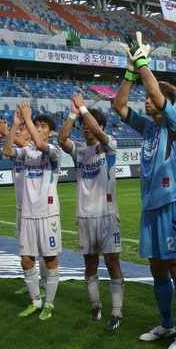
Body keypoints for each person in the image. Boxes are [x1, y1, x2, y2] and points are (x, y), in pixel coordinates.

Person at [113, 31, 176, 349]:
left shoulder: (175, 127)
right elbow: (119, 105)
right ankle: (167, 325)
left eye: (151, 97)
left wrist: (143, 62)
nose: (146, 101)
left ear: (166, 103)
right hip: (149, 207)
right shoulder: (147, 127)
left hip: (171, 205)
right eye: (146, 97)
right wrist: (130, 72)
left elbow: (157, 95)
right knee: (157, 268)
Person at [58, 93, 125, 331]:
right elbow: (61, 138)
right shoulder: (78, 150)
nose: (85, 128)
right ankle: (95, 305)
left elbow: (97, 131)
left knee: (112, 262)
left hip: (107, 216)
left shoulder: (109, 145)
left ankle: (117, 312)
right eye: (82, 125)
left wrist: (84, 109)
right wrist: (73, 113)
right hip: (84, 216)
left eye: (89, 124)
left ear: (101, 126)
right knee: (90, 264)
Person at [3, 101, 62, 320]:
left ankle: (49, 304)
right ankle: (36, 302)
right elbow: (7, 150)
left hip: (48, 214)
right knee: (26, 260)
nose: (38, 128)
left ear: (51, 133)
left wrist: (27, 119)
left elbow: (40, 144)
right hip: (28, 214)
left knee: (50, 259)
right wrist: (14, 126)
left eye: (42, 126)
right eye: (36, 125)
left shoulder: (55, 151)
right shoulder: (27, 152)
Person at [0, 117, 47, 298]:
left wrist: (9, 132)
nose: (20, 132)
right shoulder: (16, 150)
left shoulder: (37, 149)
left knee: (43, 250)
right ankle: (32, 283)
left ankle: (44, 284)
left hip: (38, 208)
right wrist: (0, 137)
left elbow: (29, 147)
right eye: (19, 129)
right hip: (22, 207)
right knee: (26, 250)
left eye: (23, 129)